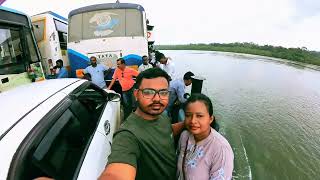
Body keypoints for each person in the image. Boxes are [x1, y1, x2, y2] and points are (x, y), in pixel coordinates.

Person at [99, 68, 185, 180]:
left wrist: (186, 123)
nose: (157, 99)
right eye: (148, 92)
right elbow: (115, 173)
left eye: (163, 92)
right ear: (136, 94)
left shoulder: (162, 116)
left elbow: (168, 131)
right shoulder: (127, 135)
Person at [177, 93, 234, 180]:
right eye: (188, 115)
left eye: (199, 116)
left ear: (210, 119)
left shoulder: (221, 149)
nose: (193, 121)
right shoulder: (184, 136)